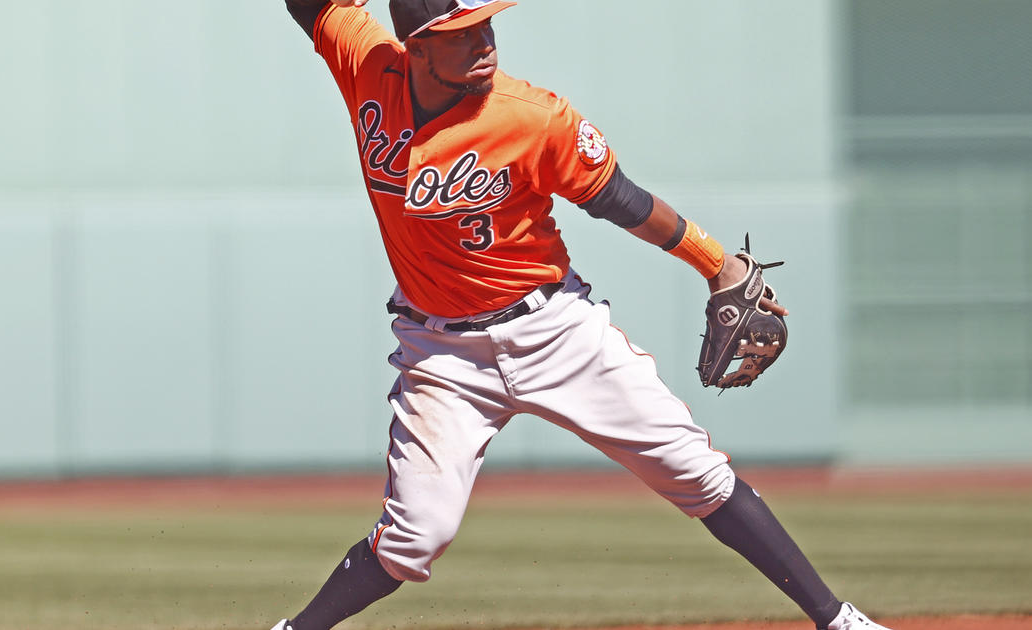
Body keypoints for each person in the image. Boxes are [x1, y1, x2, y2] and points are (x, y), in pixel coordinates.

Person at [272, 1, 892, 629]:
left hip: (554, 330)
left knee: (696, 472)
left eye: (486, 23)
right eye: (462, 33)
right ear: (417, 45)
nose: (486, 39)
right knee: (413, 540)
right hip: (441, 356)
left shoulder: (533, 117)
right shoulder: (366, 62)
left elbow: (619, 198)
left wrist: (715, 263)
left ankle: (838, 620)